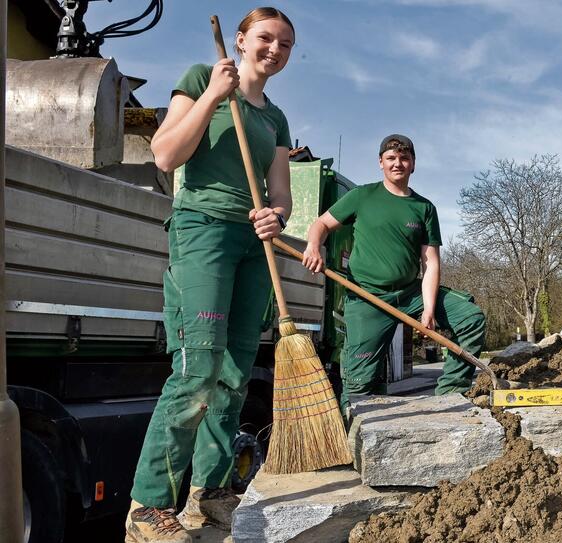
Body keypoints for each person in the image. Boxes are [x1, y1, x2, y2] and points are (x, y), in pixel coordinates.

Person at [126, 8, 296, 542]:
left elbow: (282, 194)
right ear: (241, 39)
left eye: (286, 44)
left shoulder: (277, 118)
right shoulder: (203, 77)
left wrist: (278, 215)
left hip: (253, 243)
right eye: (265, 38)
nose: (275, 49)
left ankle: (212, 493)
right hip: (202, 228)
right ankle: (147, 507)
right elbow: (165, 154)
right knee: (197, 369)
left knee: (234, 375)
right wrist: (212, 97)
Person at [301, 134, 486, 409]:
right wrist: (314, 247)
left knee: (470, 318)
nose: (397, 163)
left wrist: (429, 309)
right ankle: (347, 435)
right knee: (359, 382)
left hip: (410, 293)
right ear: (380, 162)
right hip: (367, 298)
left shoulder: (424, 208)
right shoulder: (362, 196)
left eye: (404, 158)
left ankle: (449, 395)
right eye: (391, 158)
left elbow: (431, 262)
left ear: (413, 164)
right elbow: (321, 225)